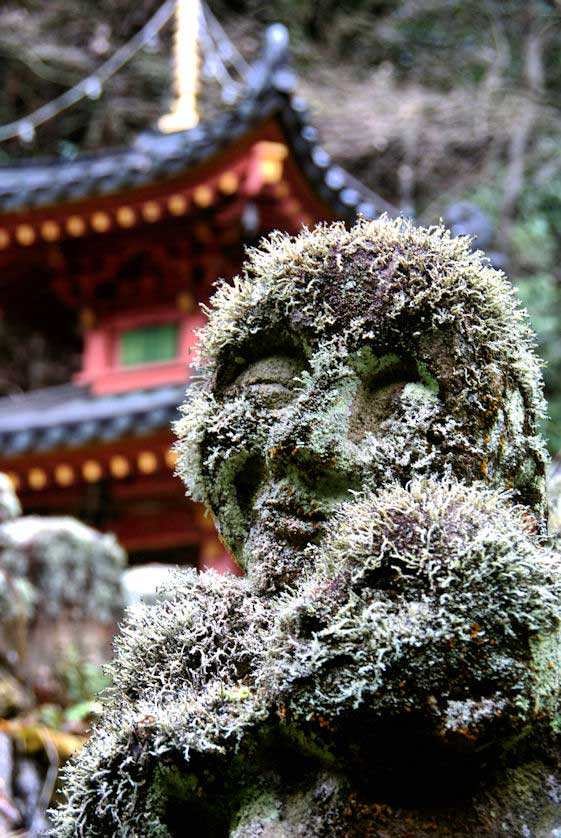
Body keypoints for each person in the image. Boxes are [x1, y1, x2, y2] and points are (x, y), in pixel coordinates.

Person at [51, 218, 561, 836]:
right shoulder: (188, 675)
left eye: (399, 398)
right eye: (268, 386)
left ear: (509, 472)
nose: (301, 442)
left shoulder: (515, 644)